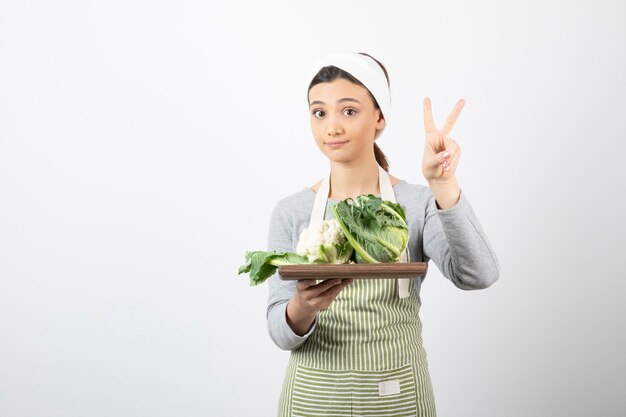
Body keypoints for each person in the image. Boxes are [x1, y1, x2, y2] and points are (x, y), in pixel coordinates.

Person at [265, 51, 499, 417]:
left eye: (349, 110)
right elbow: (280, 333)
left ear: (379, 117)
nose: (332, 127)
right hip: (314, 399)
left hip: (398, 395)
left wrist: (443, 185)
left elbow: (478, 275)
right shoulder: (290, 212)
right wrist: (303, 307)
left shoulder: (417, 203)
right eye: (319, 112)